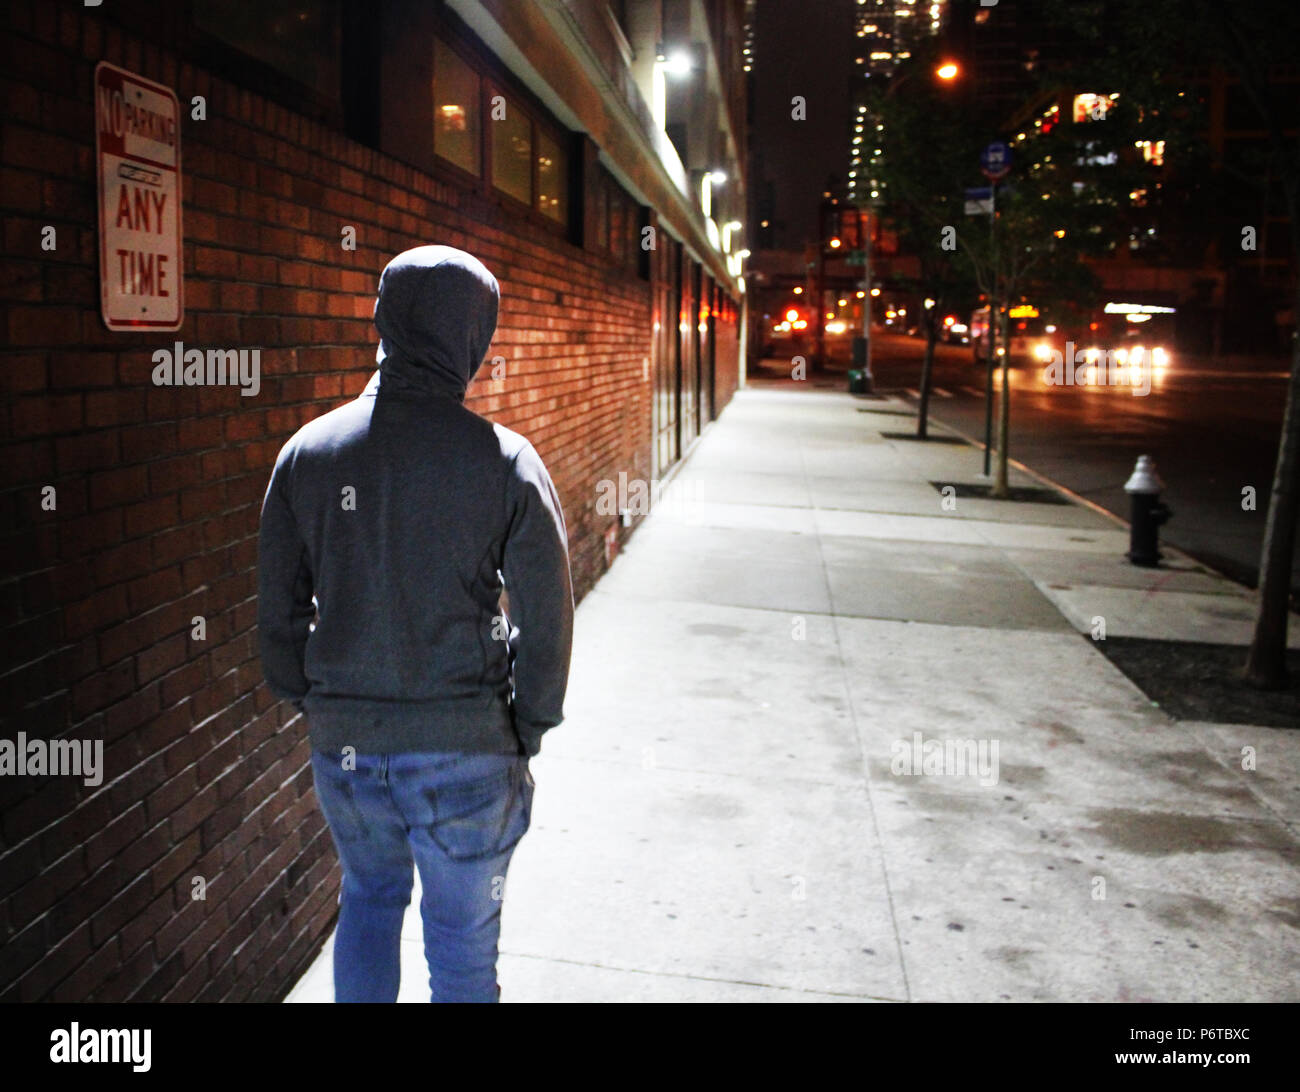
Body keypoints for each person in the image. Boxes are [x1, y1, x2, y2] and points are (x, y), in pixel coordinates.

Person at [257, 245, 574, 1003]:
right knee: (462, 952)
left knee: (367, 904)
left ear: (384, 320)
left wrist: (309, 691)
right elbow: (548, 615)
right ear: (474, 336)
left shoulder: (308, 453)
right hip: (465, 746)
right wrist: (531, 721)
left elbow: (277, 607)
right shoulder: (503, 461)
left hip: (348, 751)